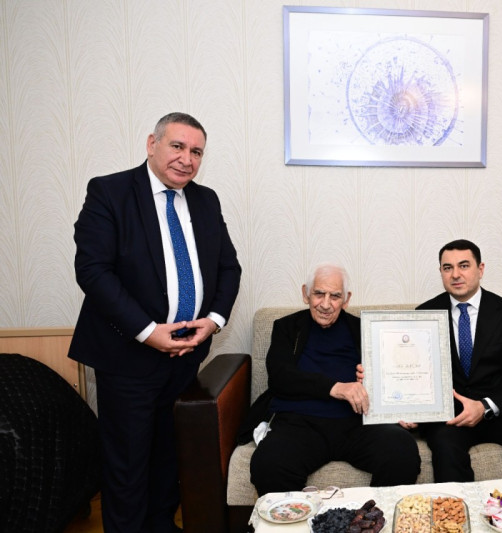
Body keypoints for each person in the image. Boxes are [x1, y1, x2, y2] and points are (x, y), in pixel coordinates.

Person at [69, 112, 242, 533]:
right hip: (127, 356)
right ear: (152, 144)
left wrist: (213, 321)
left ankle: (161, 525)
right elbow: (93, 271)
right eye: (177, 146)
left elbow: (229, 268)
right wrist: (148, 332)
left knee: (168, 456)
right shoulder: (110, 192)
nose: (187, 159)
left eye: (196, 152)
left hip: (185, 355)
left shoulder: (206, 200)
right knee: (128, 463)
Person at [247, 263, 421, 494]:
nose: (326, 304)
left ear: (346, 299)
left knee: (402, 450)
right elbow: (280, 378)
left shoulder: (365, 328)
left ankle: (372, 514)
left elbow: (390, 377)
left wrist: (400, 408)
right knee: (268, 464)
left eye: (335, 296)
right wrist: (335, 388)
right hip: (299, 424)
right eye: (319, 294)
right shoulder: (287, 327)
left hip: (357, 423)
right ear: (305, 294)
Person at [404, 239, 502, 482]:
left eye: (464, 265)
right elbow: (413, 372)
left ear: (480, 269)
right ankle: (457, 506)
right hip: (452, 412)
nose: (455, 274)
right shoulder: (424, 314)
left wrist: (485, 406)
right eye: (448, 268)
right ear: (441, 272)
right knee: (443, 443)